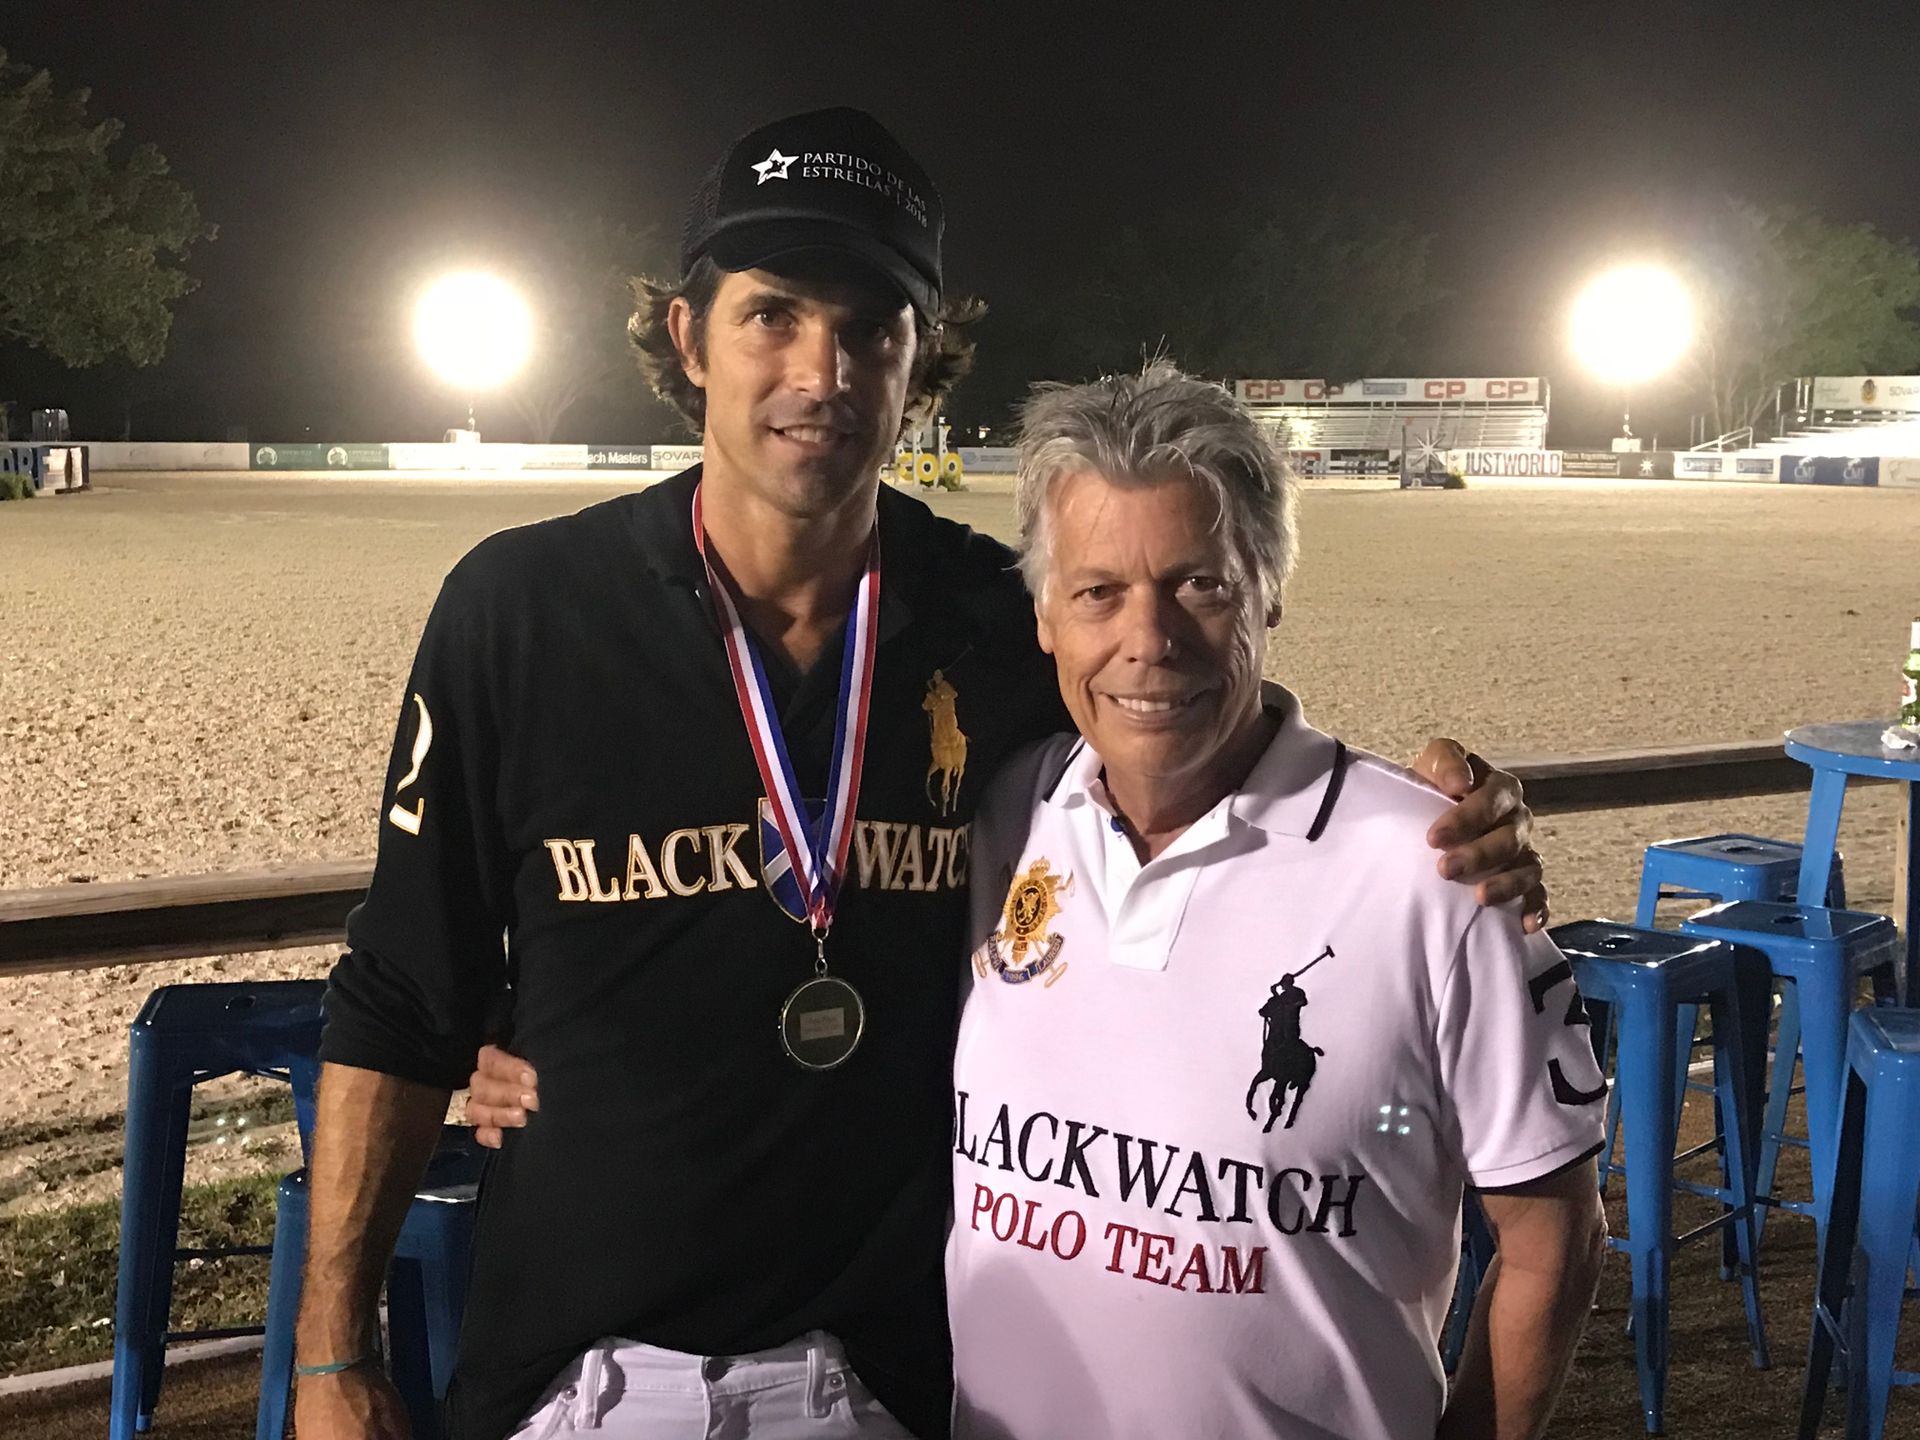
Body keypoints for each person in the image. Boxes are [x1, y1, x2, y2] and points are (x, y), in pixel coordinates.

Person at [306, 107, 1546, 1440]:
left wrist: (1442, 812)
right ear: (686, 335)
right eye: (772, 315)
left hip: (882, 1385)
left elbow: (1179, 716)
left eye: (871, 329)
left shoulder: (988, 619)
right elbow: (399, 991)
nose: (822, 370)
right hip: (578, 1383)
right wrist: (333, 1360)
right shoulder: (518, 612)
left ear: (923, 359)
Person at [943, 364, 1608, 1439]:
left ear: (1270, 590)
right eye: (1098, 591)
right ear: (1046, 619)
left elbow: (1552, 1239)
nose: (1148, 640)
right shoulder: (1002, 819)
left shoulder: (1436, 869)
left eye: (1200, 584)